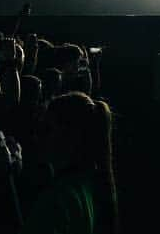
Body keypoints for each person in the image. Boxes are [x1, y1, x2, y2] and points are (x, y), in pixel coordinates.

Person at [22, 92, 118, 234]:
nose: (37, 136)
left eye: (47, 129)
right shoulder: (88, 184)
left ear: (71, 137)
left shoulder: (55, 202)